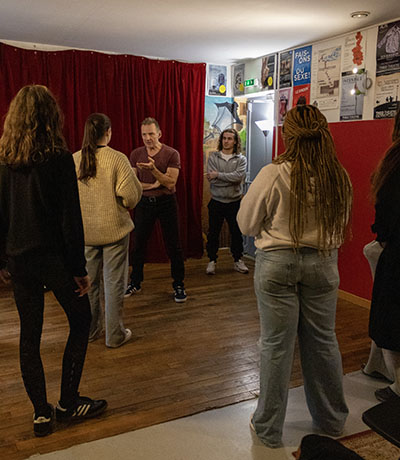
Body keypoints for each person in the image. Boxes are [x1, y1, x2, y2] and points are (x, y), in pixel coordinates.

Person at [237, 104, 352, 448]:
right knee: (324, 343)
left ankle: (269, 428)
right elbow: (341, 223)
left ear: (288, 135)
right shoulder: (338, 175)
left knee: (275, 346)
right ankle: (332, 421)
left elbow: (245, 223)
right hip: (322, 263)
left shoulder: (274, 173)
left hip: (277, 265)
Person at [0, 85, 107, 437]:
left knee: (29, 336)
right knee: (82, 319)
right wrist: (79, 270)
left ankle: (41, 414)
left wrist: (3, 259)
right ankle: (68, 400)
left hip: (19, 260)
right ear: (50, 116)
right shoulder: (59, 158)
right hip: (54, 260)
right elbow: (69, 220)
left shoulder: (4, 158)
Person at [74, 113, 142, 347]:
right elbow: (131, 198)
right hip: (114, 230)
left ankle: (91, 331)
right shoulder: (117, 159)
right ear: (108, 132)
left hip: (85, 232)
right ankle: (114, 335)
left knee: (88, 284)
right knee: (113, 284)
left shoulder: (75, 160)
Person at [124, 117, 187, 302]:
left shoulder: (171, 154)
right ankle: (135, 282)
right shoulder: (136, 154)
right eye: (144, 134)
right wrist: (153, 185)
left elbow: (170, 182)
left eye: (151, 134)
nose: (148, 138)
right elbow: (132, 183)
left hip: (167, 202)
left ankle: (178, 284)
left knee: (173, 245)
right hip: (144, 203)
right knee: (138, 245)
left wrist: (153, 170)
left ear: (159, 133)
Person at [369, 108, 400, 402]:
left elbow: (386, 209)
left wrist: (382, 235)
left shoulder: (394, 163)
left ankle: (399, 387)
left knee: (391, 321)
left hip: (397, 256)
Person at [205, 128, 248, 275]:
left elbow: (238, 178)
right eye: (224, 138)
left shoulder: (241, 159)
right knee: (213, 233)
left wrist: (218, 175)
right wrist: (228, 179)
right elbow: (213, 179)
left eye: (230, 138)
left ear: (235, 141)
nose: (226, 141)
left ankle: (237, 260)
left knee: (236, 233)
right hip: (216, 201)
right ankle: (212, 261)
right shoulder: (213, 157)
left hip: (234, 202)